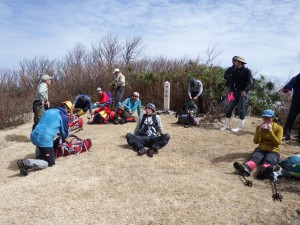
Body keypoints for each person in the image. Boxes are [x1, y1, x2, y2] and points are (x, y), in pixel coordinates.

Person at [17, 101, 73, 176]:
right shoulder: (63, 116)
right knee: (50, 162)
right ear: (68, 110)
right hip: (43, 140)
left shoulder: (49, 111)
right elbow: (64, 134)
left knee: (43, 141)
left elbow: (46, 124)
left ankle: (39, 154)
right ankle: (26, 163)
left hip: (34, 136)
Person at [233, 109, 283, 179]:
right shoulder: (259, 127)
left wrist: (271, 131)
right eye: (264, 118)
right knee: (255, 157)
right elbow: (256, 141)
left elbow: (277, 142)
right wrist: (259, 131)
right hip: (261, 149)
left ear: (273, 118)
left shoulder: (279, 128)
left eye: (268, 118)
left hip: (273, 150)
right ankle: (245, 168)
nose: (265, 120)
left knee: (269, 160)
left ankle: (264, 172)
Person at [221, 56, 254, 132]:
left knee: (241, 109)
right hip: (234, 92)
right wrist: (231, 90)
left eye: (235, 61)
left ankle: (239, 127)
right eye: (234, 60)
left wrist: (245, 91)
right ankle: (226, 125)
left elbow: (251, 82)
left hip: (243, 93)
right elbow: (231, 81)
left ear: (240, 62)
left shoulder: (247, 71)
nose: (233, 62)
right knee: (229, 107)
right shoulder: (234, 70)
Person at [281, 73, 300, 141]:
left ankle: (286, 134)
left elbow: (286, 88)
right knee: (291, 117)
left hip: (297, 97)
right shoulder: (297, 77)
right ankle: (286, 134)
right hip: (297, 98)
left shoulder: (296, 77)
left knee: (291, 117)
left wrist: (287, 88)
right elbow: (286, 88)